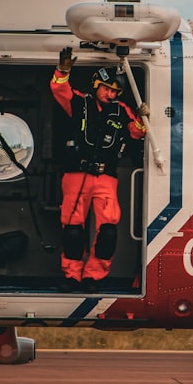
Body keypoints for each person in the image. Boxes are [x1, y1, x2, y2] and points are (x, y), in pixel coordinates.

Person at [50, 47, 149, 293]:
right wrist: (63, 70)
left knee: (107, 233)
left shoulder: (121, 110)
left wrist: (142, 118)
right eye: (107, 88)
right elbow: (58, 90)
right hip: (75, 176)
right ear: (96, 86)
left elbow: (136, 132)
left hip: (106, 177)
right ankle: (72, 276)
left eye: (115, 91)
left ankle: (93, 276)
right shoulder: (80, 102)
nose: (111, 93)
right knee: (73, 231)